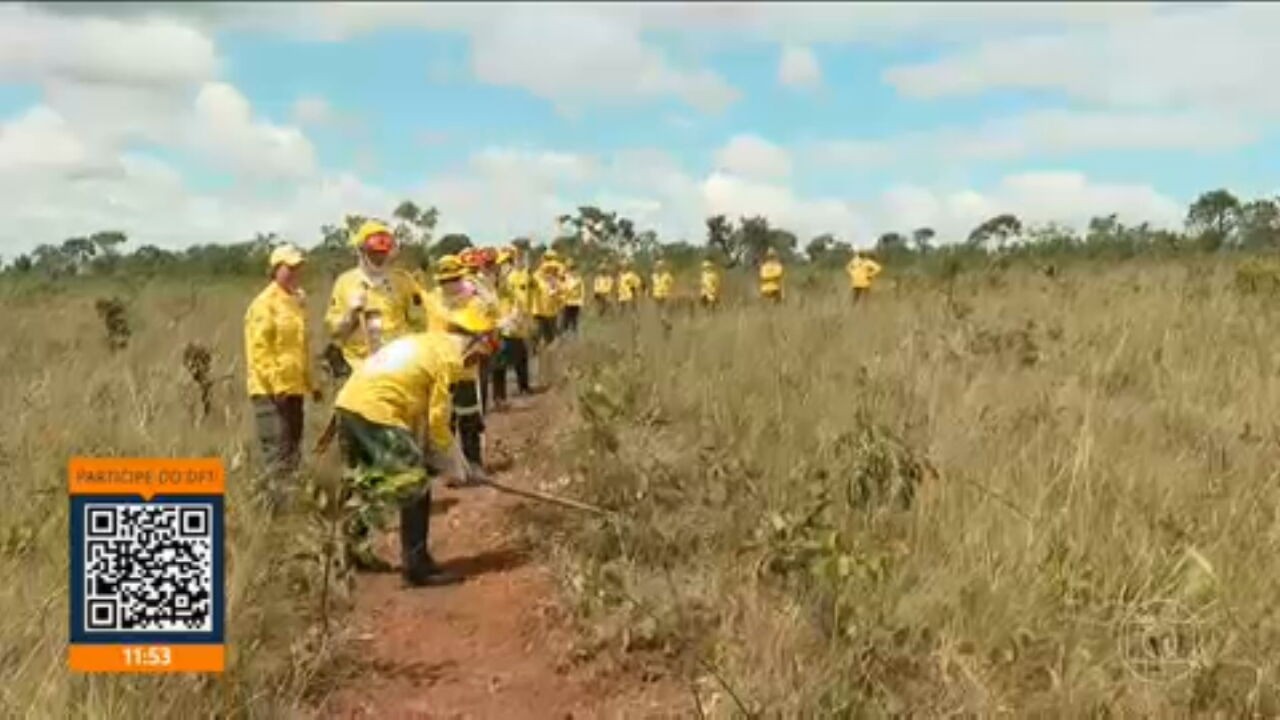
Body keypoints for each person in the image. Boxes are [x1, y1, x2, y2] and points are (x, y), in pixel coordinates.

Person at [333, 303, 500, 587]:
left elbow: (419, 414)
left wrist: (440, 458)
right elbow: (438, 425)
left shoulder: (431, 343)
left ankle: (353, 554)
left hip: (349, 405)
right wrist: (460, 468)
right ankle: (417, 567)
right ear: (475, 340)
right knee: (415, 484)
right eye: (487, 348)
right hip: (376, 410)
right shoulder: (449, 359)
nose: (480, 362)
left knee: (368, 482)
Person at [244, 243, 321, 506]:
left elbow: (301, 347)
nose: (295, 272)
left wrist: (312, 383)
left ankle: (291, 505)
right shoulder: (264, 304)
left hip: (294, 389)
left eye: (298, 267)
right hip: (270, 392)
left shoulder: (296, 302)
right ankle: (272, 510)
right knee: (276, 450)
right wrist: (276, 385)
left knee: (292, 450)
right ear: (276, 269)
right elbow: (260, 351)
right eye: (289, 267)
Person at [324, 220, 425, 383]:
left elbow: (421, 324)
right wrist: (351, 314)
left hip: (398, 367)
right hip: (359, 369)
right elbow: (335, 332)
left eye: (384, 252)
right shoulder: (345, 283)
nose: (380, 258)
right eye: (374, 253)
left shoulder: (404, 281)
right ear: (361, 251)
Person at [426, 254, 495, 479]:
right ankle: (449, 467)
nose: (450, 284)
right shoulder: (430, 302)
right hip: (438, 372)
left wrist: (479, 350)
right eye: (445, 280)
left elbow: (488, 336)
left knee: (469, 418)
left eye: (454, 279)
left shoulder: (475, 303)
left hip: (465, 371)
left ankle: (473, 462)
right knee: (442, 421)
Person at [530, 249, 565, 349]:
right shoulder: (536, 276)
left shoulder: (558, 277)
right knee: (536, 334)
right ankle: (533, 353)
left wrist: (557, 293)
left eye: (552, 259)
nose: (550, 263)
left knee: (550, 338)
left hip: (551, 312)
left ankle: (548, 354)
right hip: (538, 311)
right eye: (548, 259)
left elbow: (562, 294)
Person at [560, 258, 585, 335]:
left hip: (576, 302)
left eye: (573, 269)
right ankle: (564, 333)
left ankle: (574, 333)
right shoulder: (565, 277)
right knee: (565, 318)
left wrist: (581, 301)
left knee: (574, 319)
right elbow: (562, 287)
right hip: (567, 301)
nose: (573, 271)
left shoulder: (579, 279)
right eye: (571, 269)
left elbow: (582, 291)